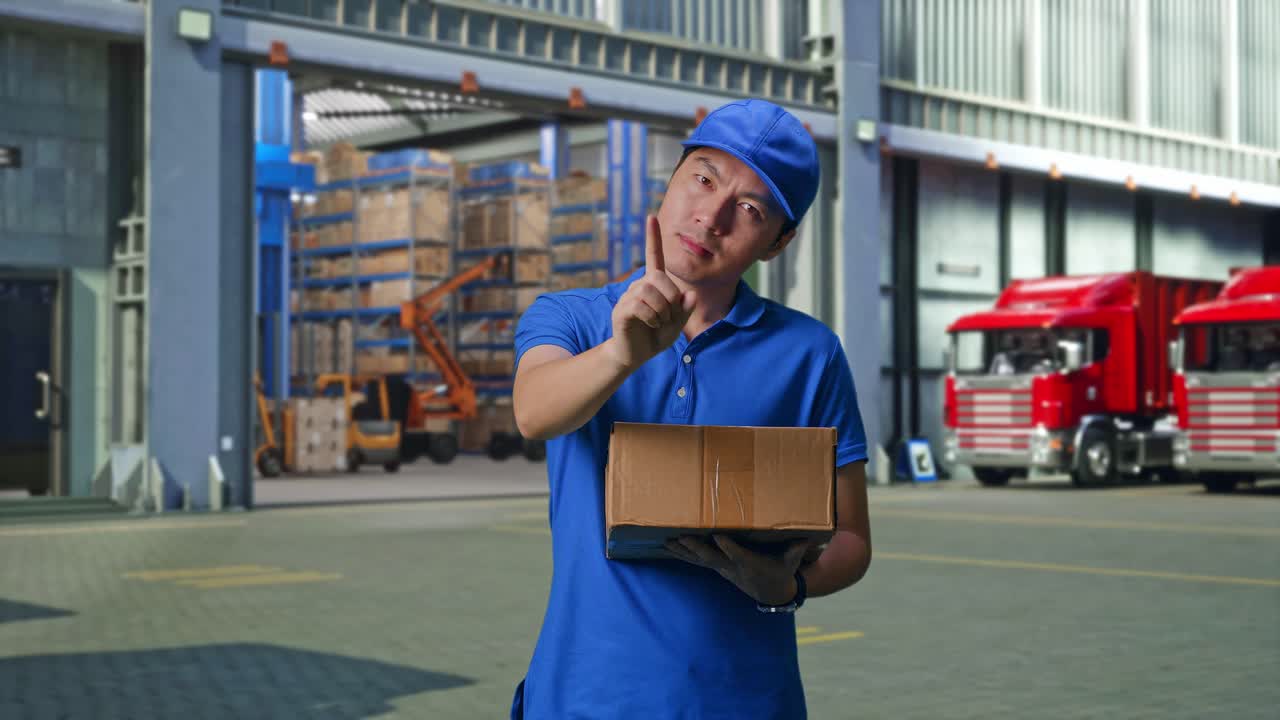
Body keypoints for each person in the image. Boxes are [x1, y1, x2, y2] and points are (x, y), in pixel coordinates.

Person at [509, 99, 873, 719]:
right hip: (585, 698)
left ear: (778, 243)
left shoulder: (810, 355)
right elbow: (534, 413)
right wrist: (620, 356)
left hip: (746, 701)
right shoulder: (572, 318)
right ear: (672, 180)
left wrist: (790, 586)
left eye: (751, 209)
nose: (710, 216)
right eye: (703, 179)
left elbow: (852, 537)